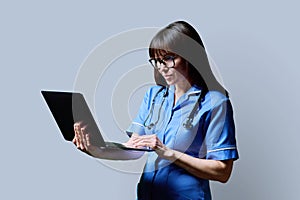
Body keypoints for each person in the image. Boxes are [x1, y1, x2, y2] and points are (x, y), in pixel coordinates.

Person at [73, 21, 239, 200]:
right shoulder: (154, 96)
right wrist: (96, 150)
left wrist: (168, 152)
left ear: (190, 56)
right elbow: (134, 149)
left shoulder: (214, 103)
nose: (161, 67)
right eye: (157, 61)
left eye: (168, 59)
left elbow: (222, 171)